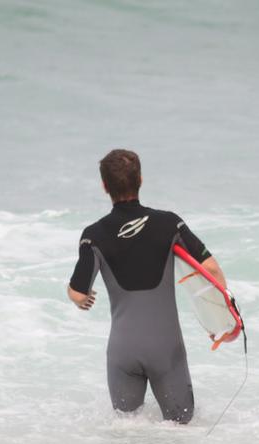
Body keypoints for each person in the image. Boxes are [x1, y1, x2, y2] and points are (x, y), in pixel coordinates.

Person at [67, 149, 227, 424]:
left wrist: (80, 300)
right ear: (140, 179)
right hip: (166, 348)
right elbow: (210, 269)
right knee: (181, 430)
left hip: (122, 350)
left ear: (105, 186)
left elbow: (78, 291)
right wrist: (221, 320)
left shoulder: (93, 235)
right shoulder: (168, 223)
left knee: (128, 434)